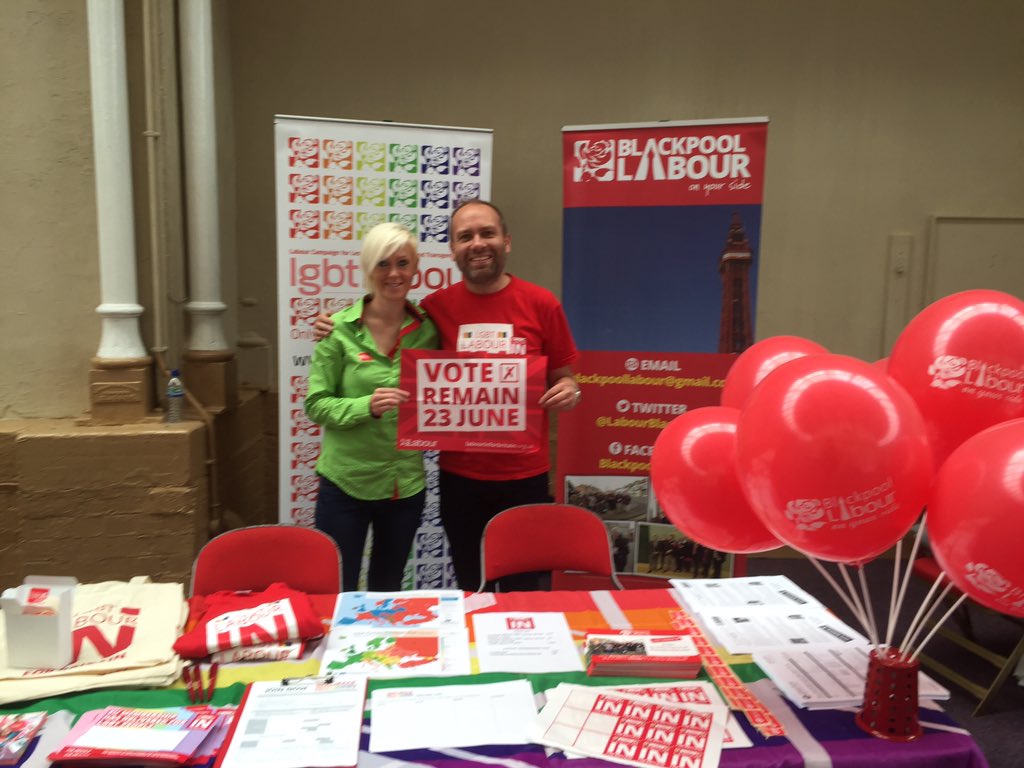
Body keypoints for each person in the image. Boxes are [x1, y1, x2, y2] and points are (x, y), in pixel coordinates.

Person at [315, 199, 580, 591]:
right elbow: (381, 320)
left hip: (524, 476)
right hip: (460, 478)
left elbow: (566, 378)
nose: (477, 243)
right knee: (472, 587)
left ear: (506, 241)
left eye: (487, 233)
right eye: (465, 237)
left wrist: (570, 391)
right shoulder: (435, 311)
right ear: (453, 250)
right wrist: (329, 323)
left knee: (523, 591)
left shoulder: (541, 304)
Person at [304, 222, 438, 592]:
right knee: (337, 589)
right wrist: (367, 406)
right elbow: (316, 405)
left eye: (403, 263)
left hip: (404, 487)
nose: (394, 273)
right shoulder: (337, 329)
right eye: (382, 264)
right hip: (345, 483)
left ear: (415, 269)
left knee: (387, 589)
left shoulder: (430, 331)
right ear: (367, 269)